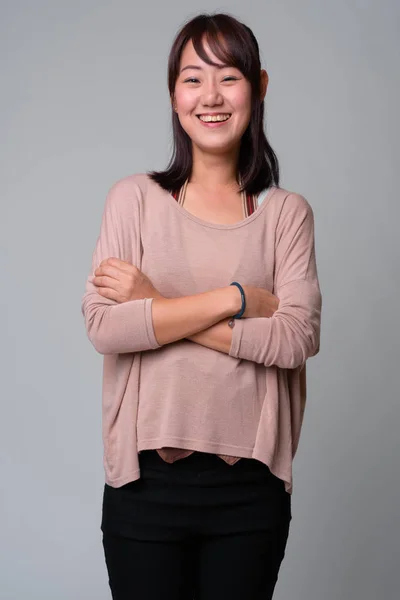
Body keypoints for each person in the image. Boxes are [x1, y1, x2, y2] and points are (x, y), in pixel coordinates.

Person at [81, 11, 322, 600]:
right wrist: (236, 300)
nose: (210, 96)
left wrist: (156, 307)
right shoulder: (133, 199)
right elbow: (106, 328)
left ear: (258, 87)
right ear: (173, 94)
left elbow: (296, 339)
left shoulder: (285, 214)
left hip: (251, 489)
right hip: (144, 484)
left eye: (228, 76)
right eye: (192, 78)